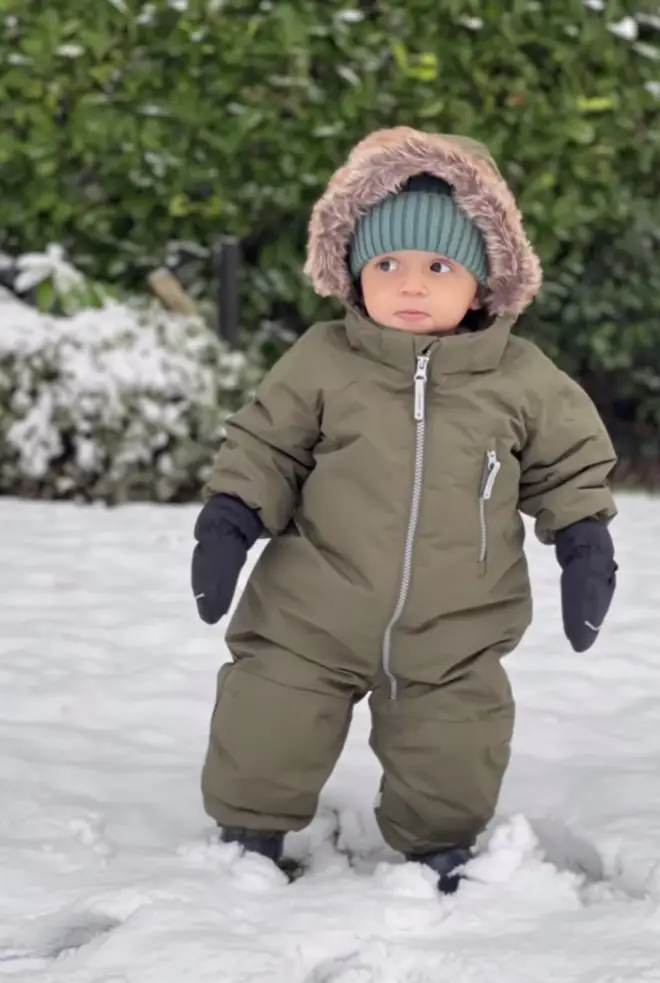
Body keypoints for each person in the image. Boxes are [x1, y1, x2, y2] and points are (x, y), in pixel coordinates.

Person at [190, 126, 618, 893]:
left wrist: (585, 542)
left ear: (483, 281)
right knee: (268, 716)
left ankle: (441, 847)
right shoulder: (324, 359)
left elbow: (570, 465)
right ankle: (248, 830)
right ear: (355, 275)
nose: (410, 284)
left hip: (455, 628)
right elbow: (268, 444)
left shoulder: (523, 378)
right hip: (311, 608)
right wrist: (230, 518)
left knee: (455, 750)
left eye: (437, 266)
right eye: (386, 264)